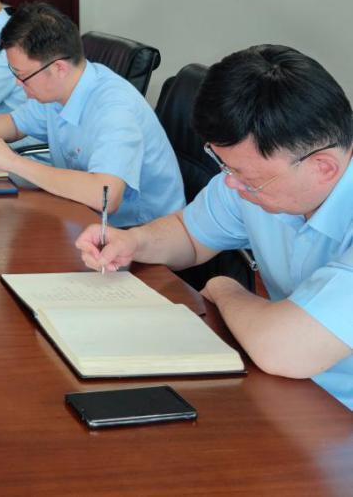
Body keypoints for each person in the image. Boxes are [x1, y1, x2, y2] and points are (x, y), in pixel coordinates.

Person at [77, 45, 353, 409]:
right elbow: (191, 235)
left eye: (246, 176)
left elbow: (284, 350)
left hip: (336, 408)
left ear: (323, 167)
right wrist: (134, 241)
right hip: (287, 390)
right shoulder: (257, 180)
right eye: (225, 167)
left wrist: (226, 290)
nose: (231, 184)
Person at [0, 1, 183, 226]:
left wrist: (13, 162)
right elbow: (15, 123)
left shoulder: (115, 108)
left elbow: (105, 196)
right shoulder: (59, 88)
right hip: (82, 216)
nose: (18, 84)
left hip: (138, 234)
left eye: (22, 75)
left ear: (58, 68)